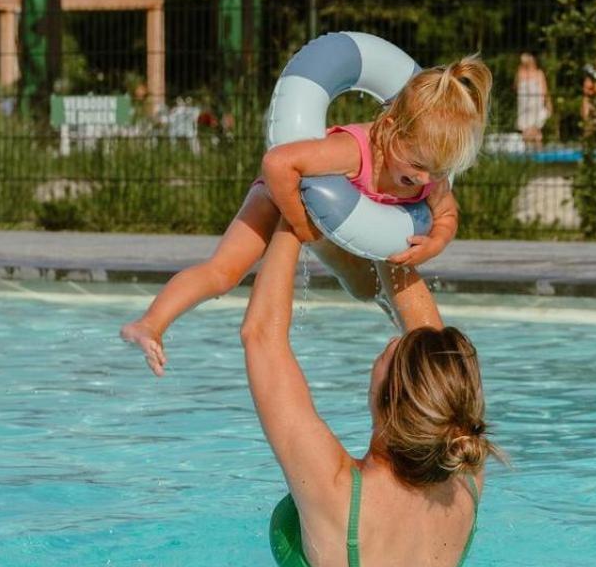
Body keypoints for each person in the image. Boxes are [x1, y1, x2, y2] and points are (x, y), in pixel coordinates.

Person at [121, 56, 493, 376]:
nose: (426, 181)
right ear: (392, 131)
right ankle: (150, 324)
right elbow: (278, 163)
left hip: (343, 218)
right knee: (224, 272)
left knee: (375, 283)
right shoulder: (351, 150)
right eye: (417, 167)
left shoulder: (429, 172)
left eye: (439, 172)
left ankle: (435, 367)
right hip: (279, 196)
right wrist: (299, 225)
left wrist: (434, 243)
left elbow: (446, 212)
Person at [243, 220, 499, 567]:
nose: (396, 340)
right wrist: (382, 224)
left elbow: (261, 338)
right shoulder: (465, 472)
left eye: (394, 352)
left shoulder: (336, 490)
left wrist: (287, 212)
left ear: (387, 400)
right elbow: (435, 350)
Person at [514, 52, 550, 147]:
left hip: (536, 105)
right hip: (524, 107)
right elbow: (515, 87)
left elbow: (545, 91)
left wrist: (548, 104)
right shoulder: (520, 73)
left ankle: (538, 152)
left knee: (536, 131)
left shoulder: (539, 73)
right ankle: (528, 155)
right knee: (525, 132)